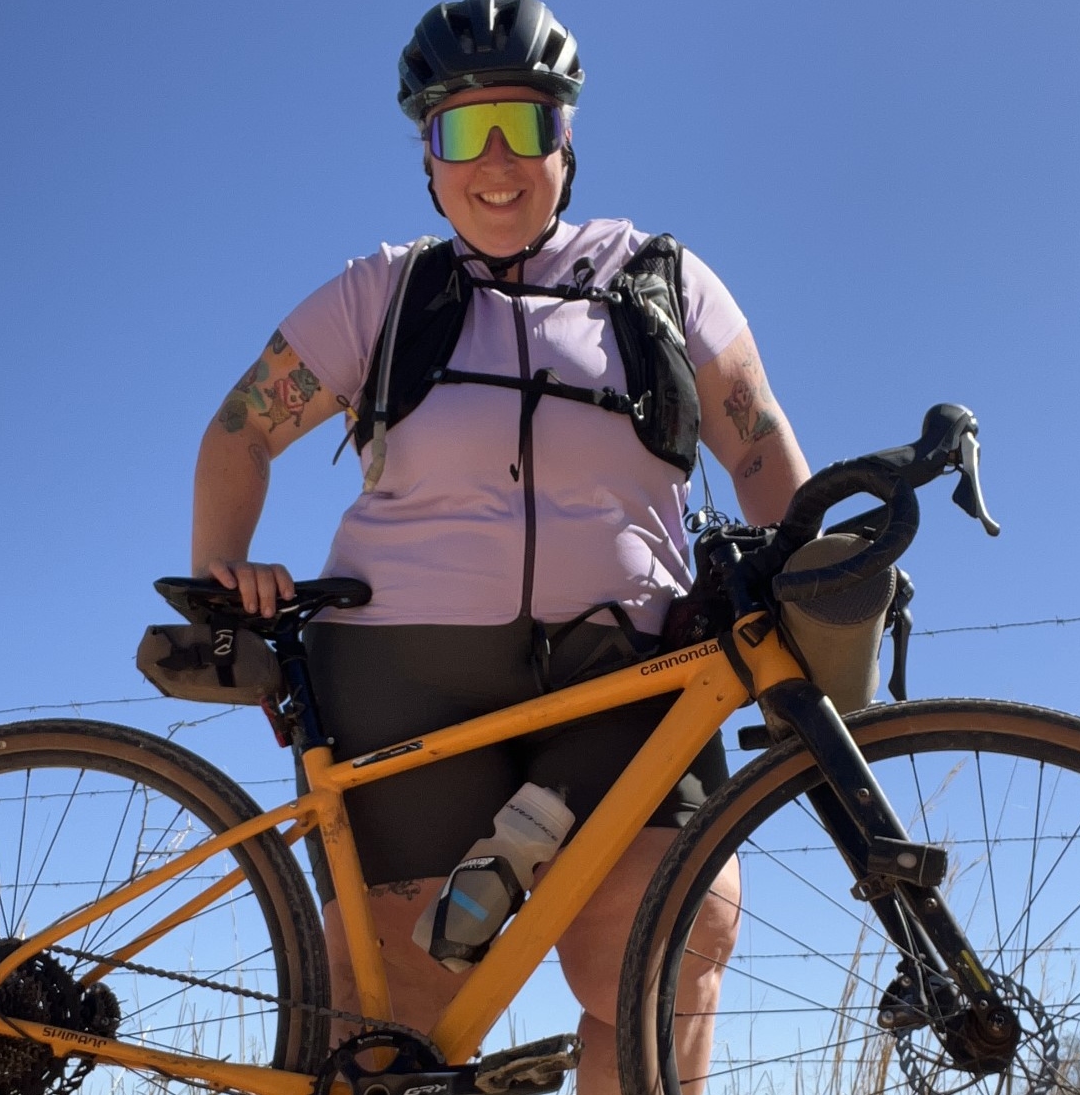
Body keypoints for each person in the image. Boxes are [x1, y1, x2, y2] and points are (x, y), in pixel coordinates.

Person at [191, 1, 811, 1090]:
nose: (492, 163)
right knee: (391, 1023)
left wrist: (808, 578)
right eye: (457, 133)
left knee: (666, 973)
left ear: (565, 141)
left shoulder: (660, 280)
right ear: (426, 158)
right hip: (403, 680)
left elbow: (760, 453)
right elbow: (241, 432)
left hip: (632, 674)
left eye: (518, 126)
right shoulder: (381, 293)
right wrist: (220, 579)